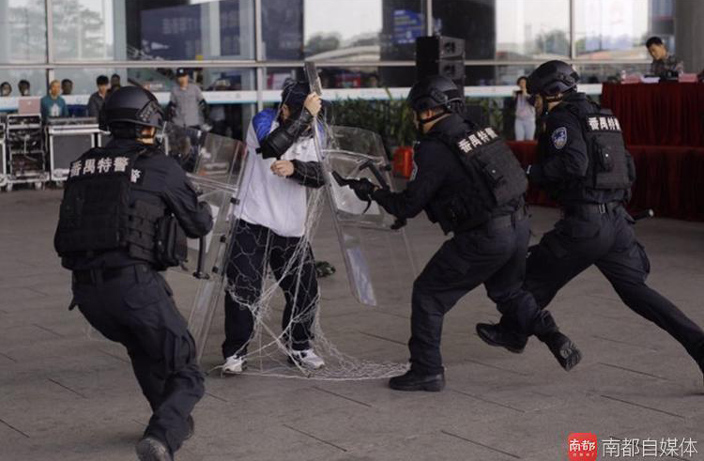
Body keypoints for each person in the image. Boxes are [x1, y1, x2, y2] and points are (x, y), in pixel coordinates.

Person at [342, 75, 580, 392]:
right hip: (520, 224)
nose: (414, 118)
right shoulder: (479, 132)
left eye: (416, 110)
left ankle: (426, 370)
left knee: (428, 293)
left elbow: (408, 204)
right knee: (508, 291)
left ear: (427, 110)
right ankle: (553, 335)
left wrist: (371, 191)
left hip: (485, 236)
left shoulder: (434, 148)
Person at [475, 60, 704, 382]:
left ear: (552, 93)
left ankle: (514, 332)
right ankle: (699, 345)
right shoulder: (603, 116)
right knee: (639, 294)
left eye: (537, 96)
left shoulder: (562, 118)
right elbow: (627, 168)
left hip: (584, 225)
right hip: (616, 223)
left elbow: (574, 164)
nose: (535, 103)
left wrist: (527, 173)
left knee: (526, 278)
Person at [53, 86, 213, 461]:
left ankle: (169, 420)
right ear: (148, 122)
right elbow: (199, 224)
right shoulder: (159, 165)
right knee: (187, 368)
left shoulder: (82, 166)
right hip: (133, 287)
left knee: (142, 349)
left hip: (88, 295)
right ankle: (162, 435)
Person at [221, 81, 327, 375]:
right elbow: (271, 147)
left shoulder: (316, 130)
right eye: (304, 114)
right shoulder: (263, 121)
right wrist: (304, 115)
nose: (309, 123)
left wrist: (297, 169)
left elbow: (321, 174)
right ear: (285, 110)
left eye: (314, 115)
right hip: (251, 220)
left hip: (291, 226)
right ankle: (236, 351)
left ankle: (301, 346)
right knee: (243, 288)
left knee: (305, 289)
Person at [513, 76, 535, 141]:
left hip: (529, 120)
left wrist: (525, 94)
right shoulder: (517, 94)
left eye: (524, 82)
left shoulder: (531, 93)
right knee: (519, 139)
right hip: (519, 119)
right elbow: (512, 105)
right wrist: (513, 98)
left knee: (529, 139)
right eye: (520, 83)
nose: (522, 84)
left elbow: (532, 103)